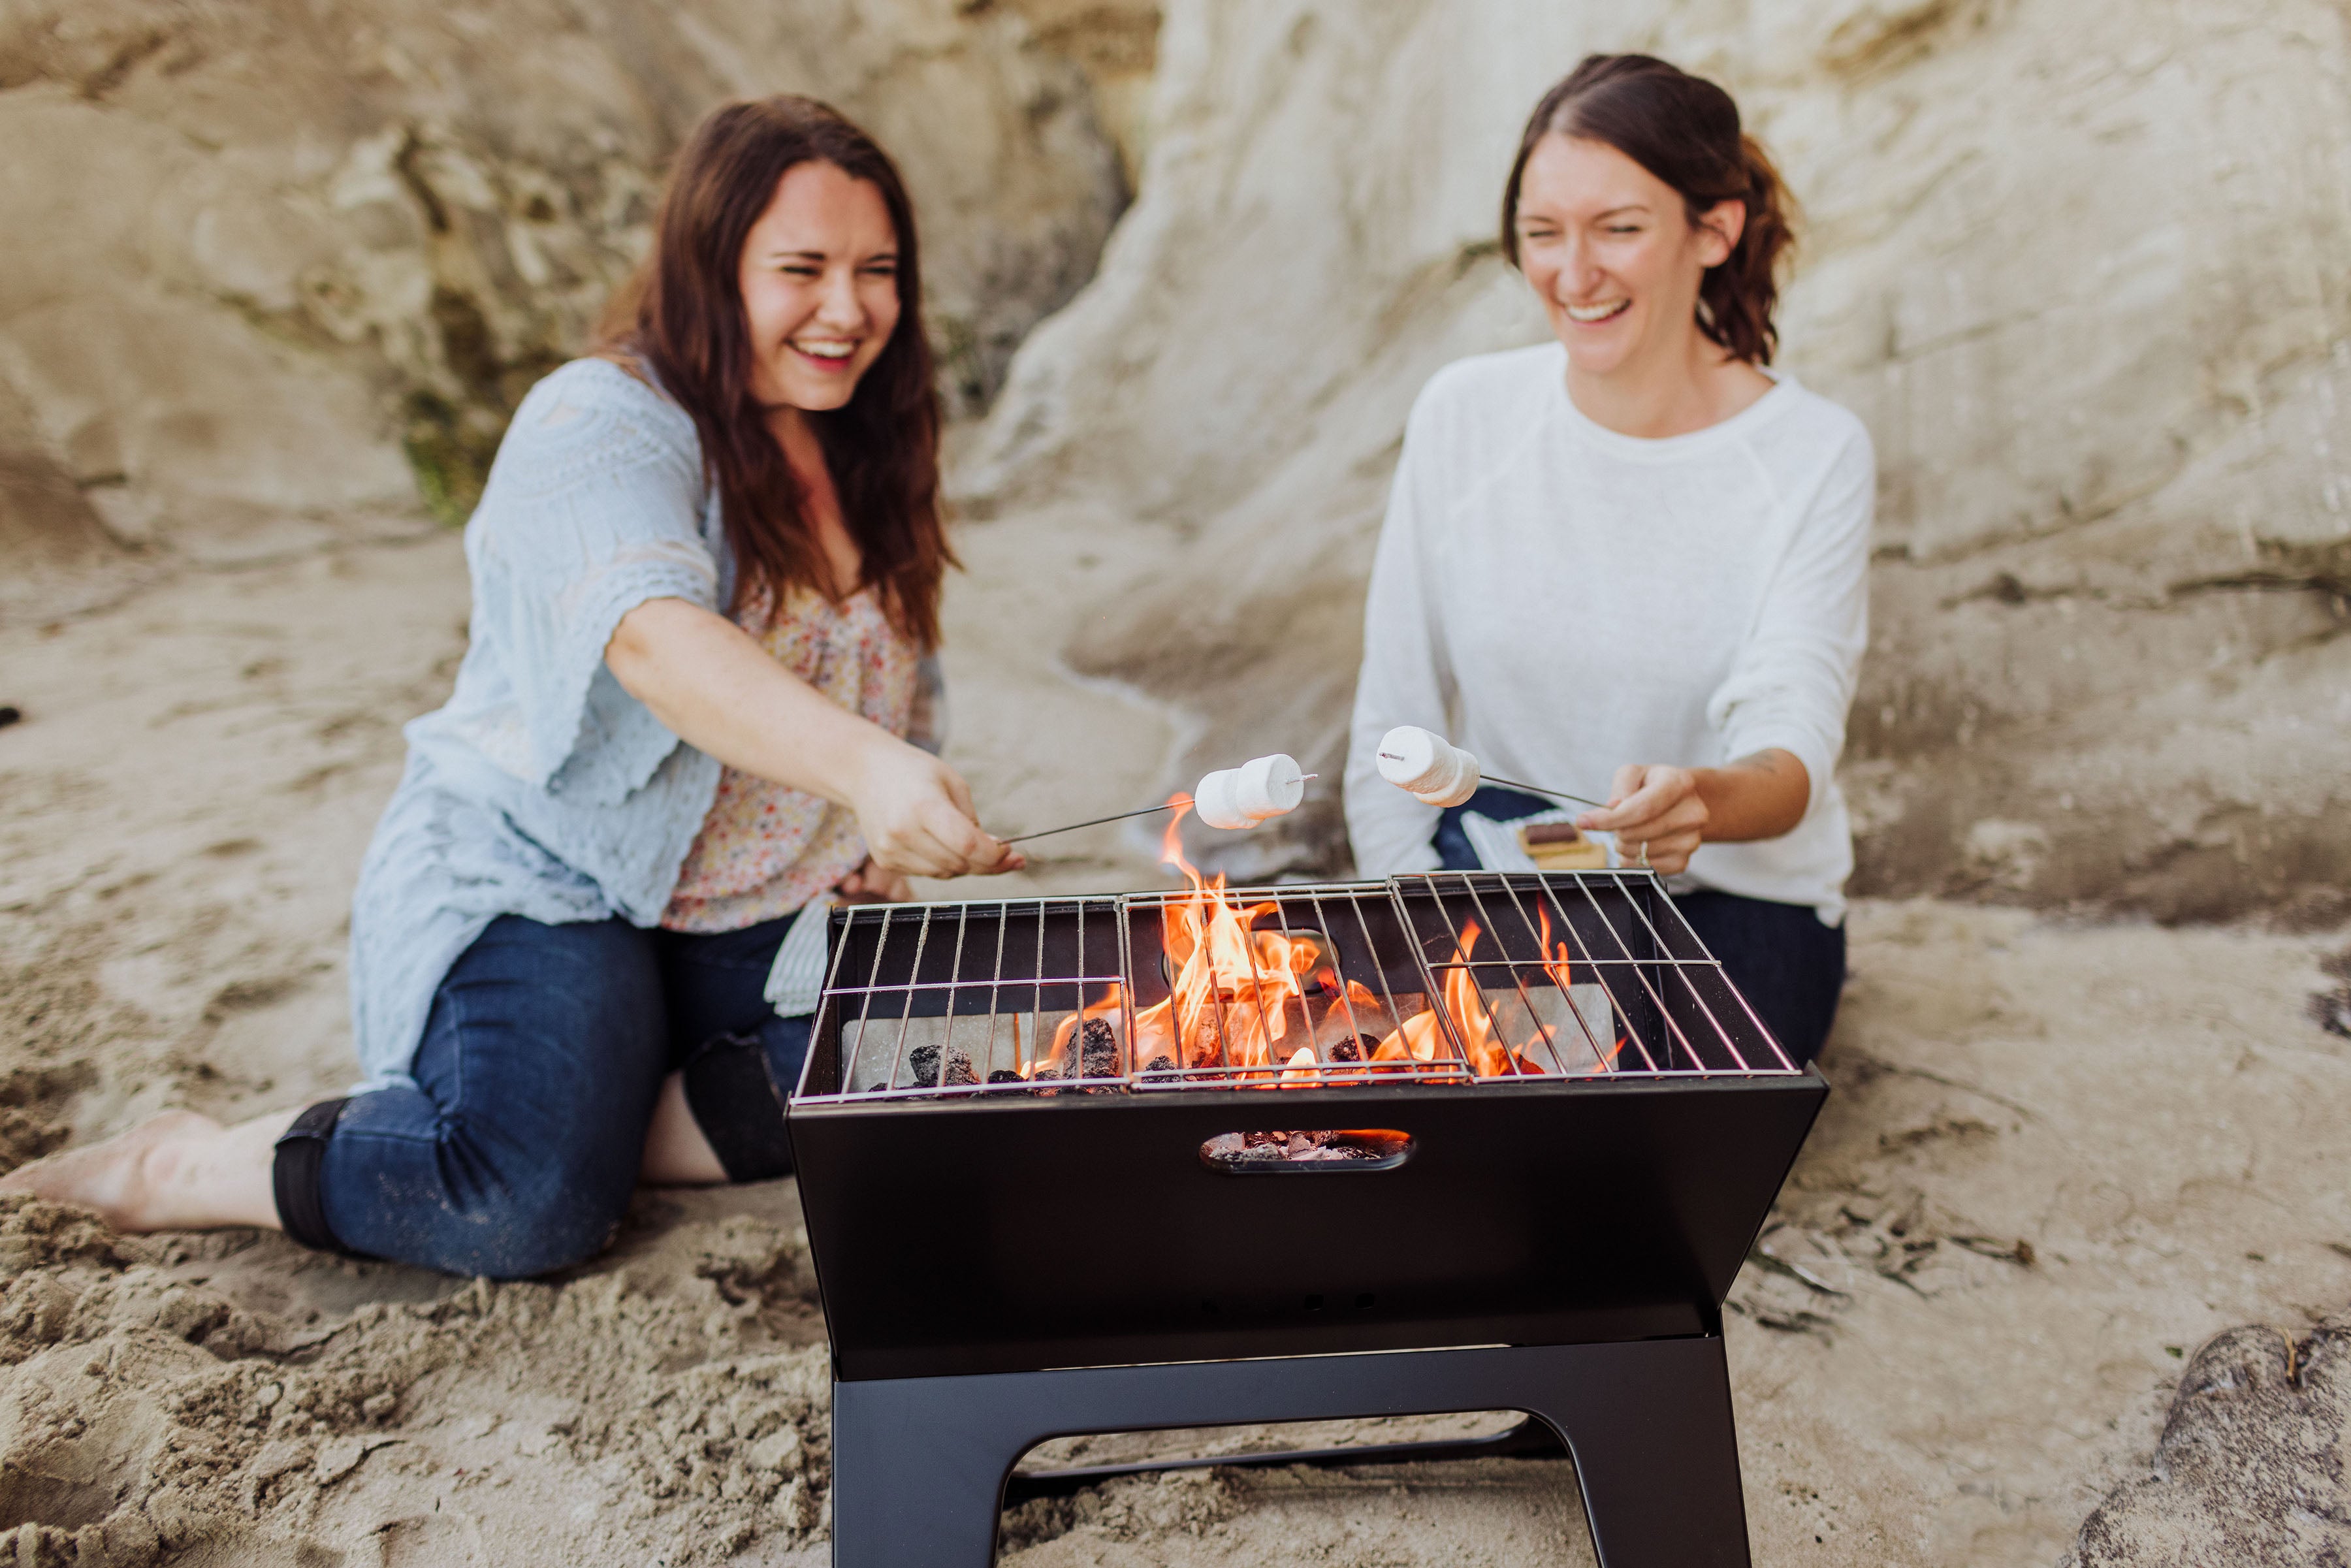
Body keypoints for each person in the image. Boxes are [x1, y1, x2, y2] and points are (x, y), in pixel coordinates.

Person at [3, 97, 1021, 1273]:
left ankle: (591, 1102)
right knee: (528, 1196)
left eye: (877, 270)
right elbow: (652, 637)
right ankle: (180, 1165)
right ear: (709, 267)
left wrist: (876, 830)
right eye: (802, 268)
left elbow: (892, 666)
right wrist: (862, 765)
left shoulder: (865, 435)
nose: (847, 309)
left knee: (921, 1067)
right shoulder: (600, 419)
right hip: (548, 883)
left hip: (739, 916)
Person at [1343, 55, 1872, 1065]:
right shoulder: (1464, 413)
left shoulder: (1814, 452)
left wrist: (1697, 803)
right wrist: (1409, 924)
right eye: (1544, 235)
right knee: (1466, 1091)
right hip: (1506, 866)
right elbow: (1393, 722)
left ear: (1712, 229)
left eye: (1618, 230)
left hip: (1729, 896)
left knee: (1624, 1131)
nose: (1573, 276)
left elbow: (1793, 741)